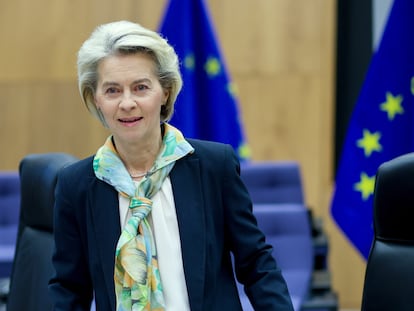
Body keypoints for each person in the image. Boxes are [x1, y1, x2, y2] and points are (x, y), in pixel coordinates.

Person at [48, 20, 294, 311]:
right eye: (112, 90)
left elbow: (256, 264)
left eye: (141, 87)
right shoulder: (76, 185)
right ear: (96, 99)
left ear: (165, 91)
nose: (127, 103)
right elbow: (68, 290)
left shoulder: (215, 166)